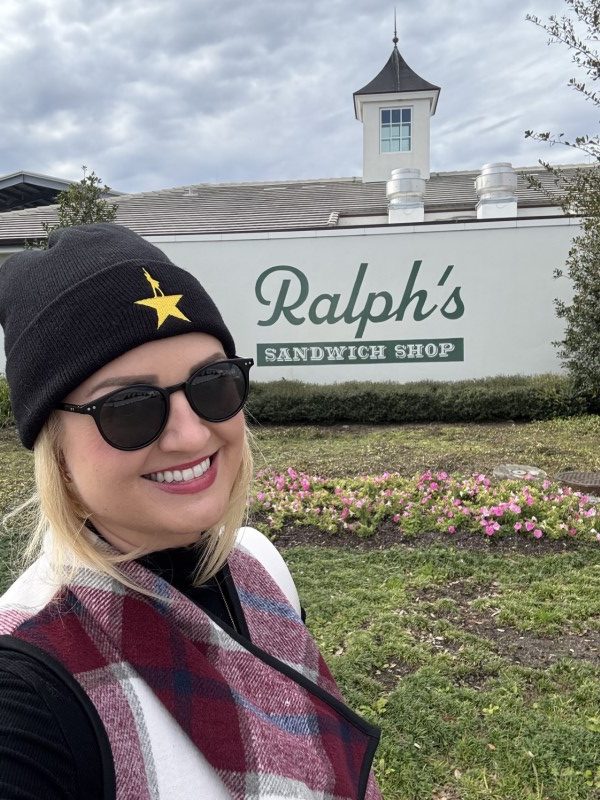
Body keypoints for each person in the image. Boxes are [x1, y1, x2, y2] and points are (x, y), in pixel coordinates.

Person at [0, 224, 381, 800]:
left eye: (212, 383)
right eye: (129, 406)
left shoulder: (259, 564)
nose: (192, 434)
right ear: (56, 450)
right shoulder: (27, 690)